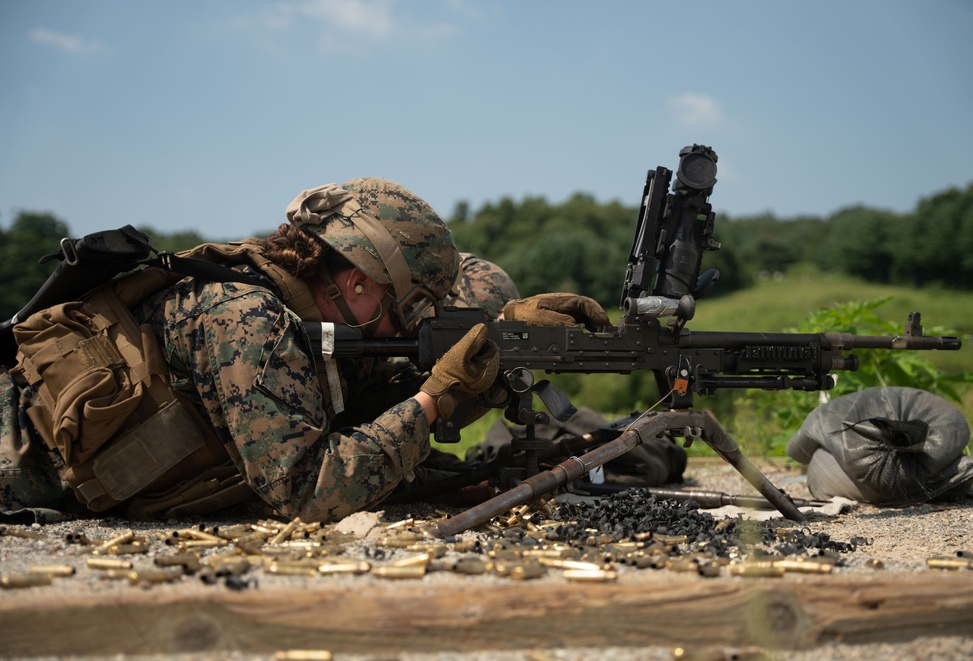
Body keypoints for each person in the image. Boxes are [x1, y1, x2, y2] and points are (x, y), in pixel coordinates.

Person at [1, 177, 609, 523]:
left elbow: (353, 420)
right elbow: (310, 490)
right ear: (360, 281)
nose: (405, 327)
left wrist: (497, 347)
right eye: (409, 307)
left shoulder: (309, 318)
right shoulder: (246, 319)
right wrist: (433, 398)